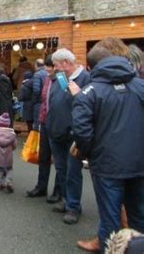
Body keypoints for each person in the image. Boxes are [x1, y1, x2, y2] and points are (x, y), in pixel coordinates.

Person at [72, 44, 144, 251]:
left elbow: (82, 132)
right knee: (138, 214)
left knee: (110, 216)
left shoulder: (88, 93)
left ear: (90, 66)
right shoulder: (140, 87)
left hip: (106, 165)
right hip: (139, 163)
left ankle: (109, 249)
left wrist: (87, 154)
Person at [47, 48, 90, 225]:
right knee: (61, 169)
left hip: (74, 133)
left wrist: (78, 95)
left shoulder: (86, 78)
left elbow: (89, 106)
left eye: (57, 65)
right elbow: (53, 101)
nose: (55, 68)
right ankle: (65, 199)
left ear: (66, 63)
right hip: (56, 131)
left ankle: (73, 206)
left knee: (73, 171)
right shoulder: (59, 78)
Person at [26, 55, 61, 203]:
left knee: (59, 160)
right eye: (47, 66)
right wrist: (39, 121)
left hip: (57, 124)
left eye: (50, 66)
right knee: (43, 156)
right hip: (45, 123)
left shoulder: (62, 81)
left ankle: (58, 192)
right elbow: (43, 102)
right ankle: (41, 187)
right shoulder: (47, 79)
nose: (47, 69)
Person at [0, 113, 16, 193]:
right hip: (8, 155)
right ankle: (8, 182)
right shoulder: (12, 134)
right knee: (9, 169)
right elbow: (14, 145)